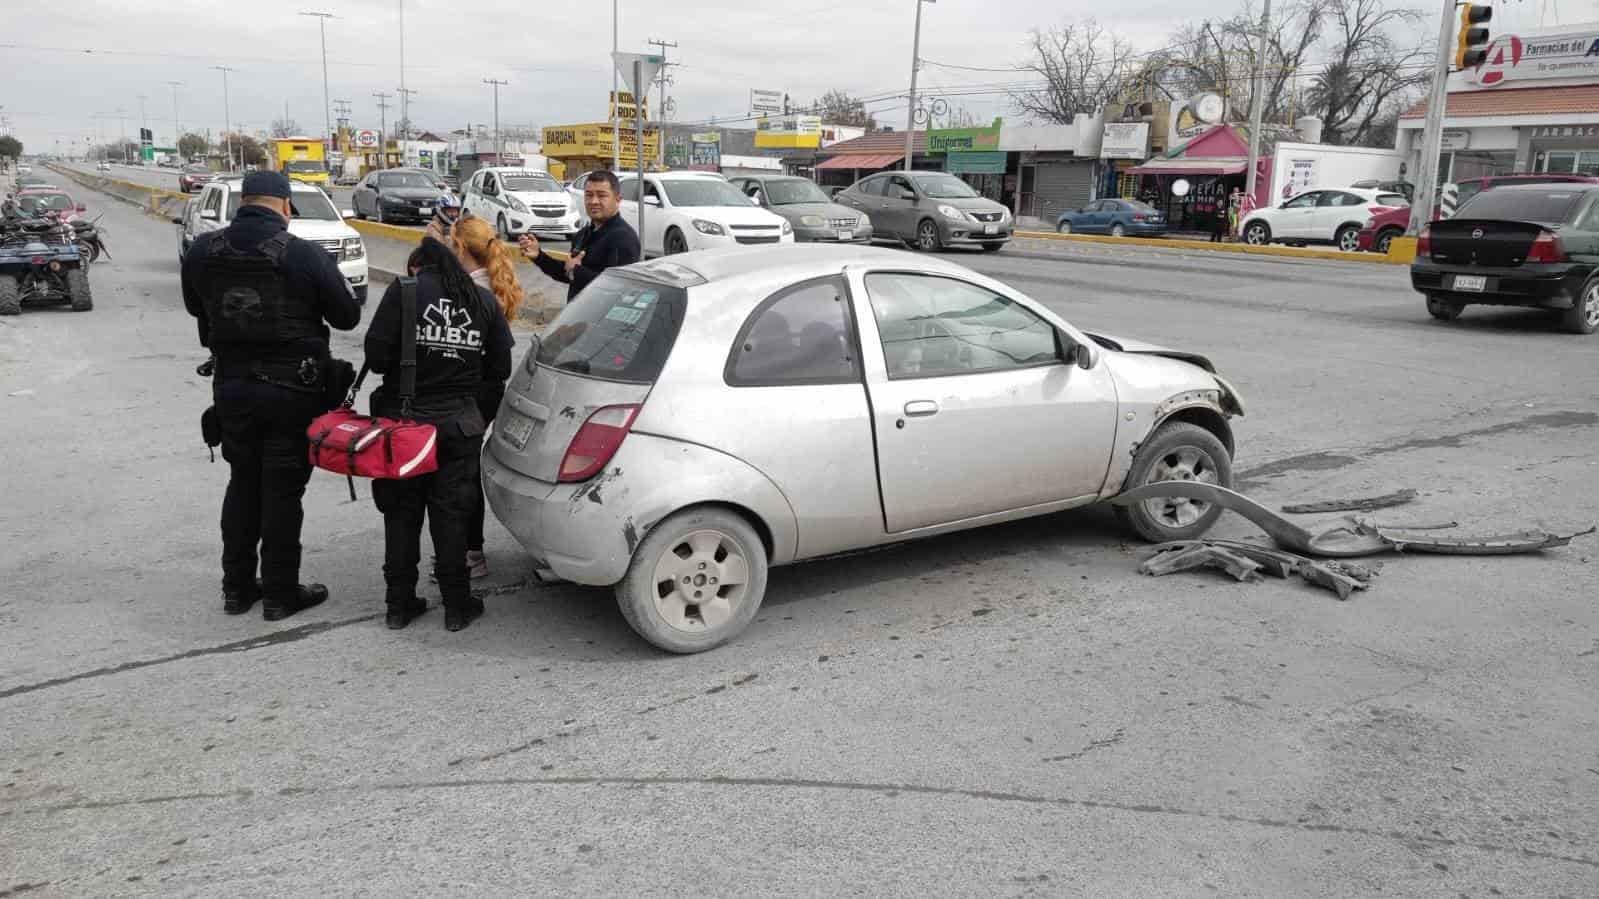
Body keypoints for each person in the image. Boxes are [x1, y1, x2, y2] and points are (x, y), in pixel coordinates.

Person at [181, 170, 361, 620]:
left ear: (243, 202)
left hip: (232, 389)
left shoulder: (204, 250)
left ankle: (236, 589)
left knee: (242, 483)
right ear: (284, 207)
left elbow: (195, 307)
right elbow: (347, 317)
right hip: (291, 393)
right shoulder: (302, 254)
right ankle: (281, 593)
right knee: (282, 491)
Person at [363, 236, 513, 632]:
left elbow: (376, 357)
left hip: (404, 425)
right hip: (458, 425)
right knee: (451, 518)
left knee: (400, 516)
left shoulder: (404, 291)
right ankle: (456, 606)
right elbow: (499, 368)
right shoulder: (483, 300)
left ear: (417, 267)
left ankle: (398, 604)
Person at [451, 215, 524, 579]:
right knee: (465, 469)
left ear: (460, 247)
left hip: (470, 391)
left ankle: (470, 553)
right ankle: (469, 550)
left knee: (460, 474)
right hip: (486, 389)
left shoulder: (468, 292)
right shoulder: (490, 284)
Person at [519, 169, 640, 301]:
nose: (594, 201)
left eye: (601, 195)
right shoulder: (584, 234)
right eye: (589, 195)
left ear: (617, 199)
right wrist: (539, 256)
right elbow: (568, 273)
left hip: (601, 319)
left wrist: (577, 271)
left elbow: (619, 289)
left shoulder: (623, 238)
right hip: (576, 315)